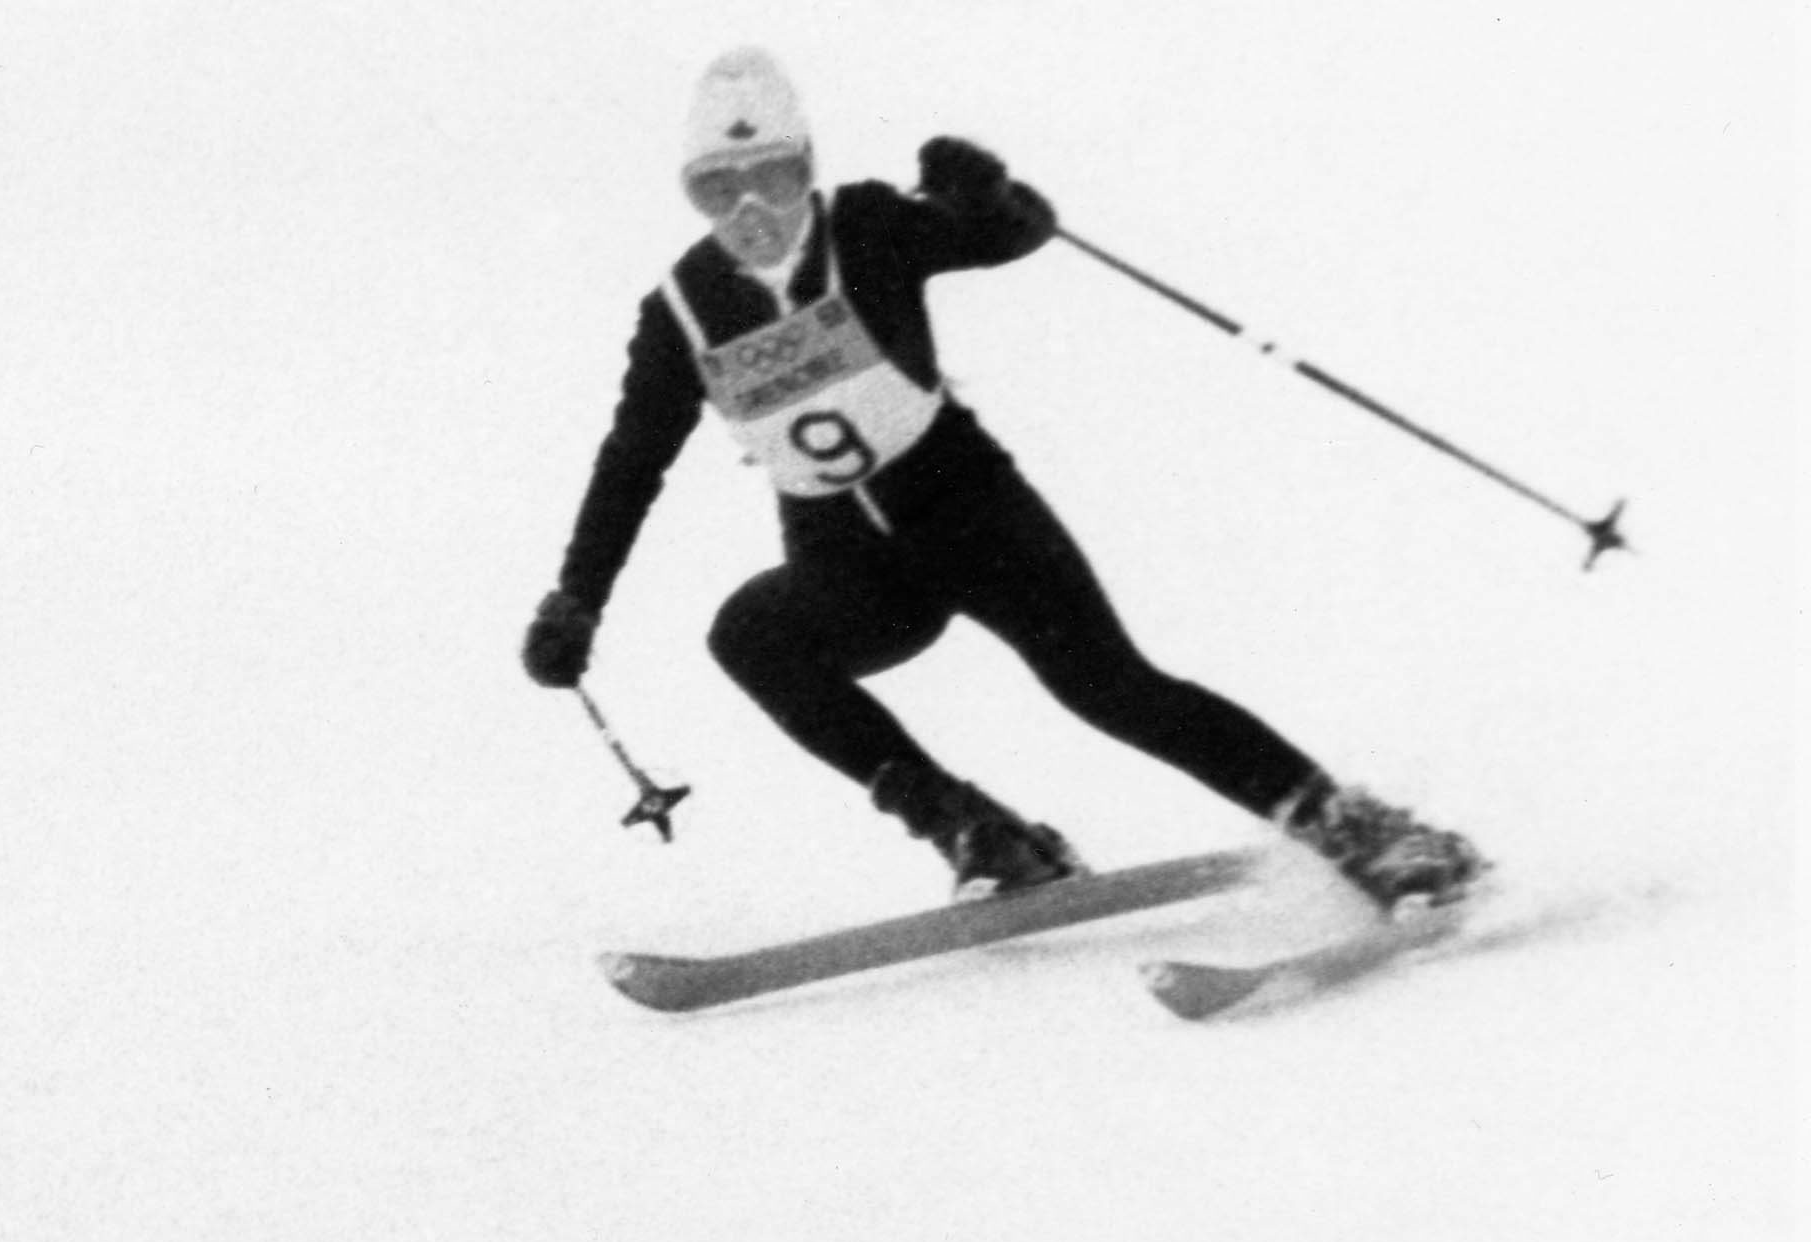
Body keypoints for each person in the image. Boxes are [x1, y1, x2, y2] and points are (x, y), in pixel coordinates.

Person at [521, 46, 1483, 912]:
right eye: (719, 189)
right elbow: (630, 463)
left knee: (1113, 689)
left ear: (805, 169)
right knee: (752, 635)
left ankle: (1367, 832)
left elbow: (1008, 236)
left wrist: (982, 196)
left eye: (772, 176)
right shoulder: (683, 311)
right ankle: (976, 830)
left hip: (969, 514)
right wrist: (578, 598)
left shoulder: (866, 225)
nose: (751, 211)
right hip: (848, 561)